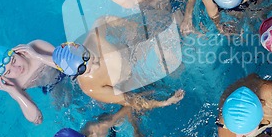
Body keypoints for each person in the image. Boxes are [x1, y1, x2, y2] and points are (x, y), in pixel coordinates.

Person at [53, 35, 184, 110]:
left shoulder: (94, 38)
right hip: (133, 79)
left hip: (134, 53)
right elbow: (131, 101)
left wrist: (131, 28)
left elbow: (109, 21)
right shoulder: (91, 87)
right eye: (87, 69)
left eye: (90, 57)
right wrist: (165, 102)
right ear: (76, 75)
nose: (96, 64)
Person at [0, 40, 65, 124]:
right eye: (8, 72)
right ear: (4, 76)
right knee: (62, 113)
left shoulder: (37, 47)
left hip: (65, 73)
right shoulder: (14, 84)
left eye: (13, 61)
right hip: (51, 87)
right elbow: (38, 120)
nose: (17, 69)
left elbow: (68, 63)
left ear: (17, 52)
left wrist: (38, 56)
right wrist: (16, 93)